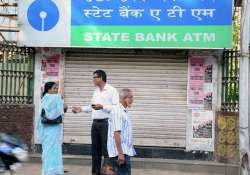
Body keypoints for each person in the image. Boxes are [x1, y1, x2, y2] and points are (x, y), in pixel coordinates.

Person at [72, 70, 119, 175]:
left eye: (95, 77)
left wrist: (103, 106)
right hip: (95, 124)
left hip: (106, 124)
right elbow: (92, 106)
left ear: (101, 78)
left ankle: (106, 172)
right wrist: (81, 109)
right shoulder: (96, 91)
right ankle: (95, 173)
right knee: (95, 151)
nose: (93, 79)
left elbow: (116, 108)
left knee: (107, 151)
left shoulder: (112, 90)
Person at [36, 82, 68, 175]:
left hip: (46, 130)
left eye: (56, 88)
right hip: (53, 130)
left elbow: (51, 113)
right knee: (55, 150)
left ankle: (47, 170)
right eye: (54, 88)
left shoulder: (44, 98)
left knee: (47, 151)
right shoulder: (56, 97)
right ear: (48, 89)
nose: (56, 90)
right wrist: (64, 106)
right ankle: (54, 171)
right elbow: (60, 112)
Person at [107, 88, 136, 175]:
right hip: (120, 153)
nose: (132, 100)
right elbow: (116, 133)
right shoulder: (117, 111)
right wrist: (120, 153)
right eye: (130, 97)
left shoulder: (124, 111)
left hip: (124, 152)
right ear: (124, 98)